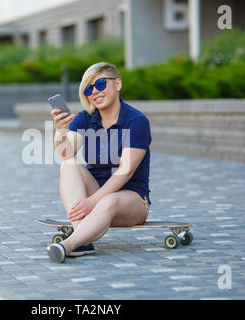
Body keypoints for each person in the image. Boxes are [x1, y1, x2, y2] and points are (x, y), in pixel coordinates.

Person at [48, 62, 152, 263]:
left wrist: (92, 202)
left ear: (118, 84)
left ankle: (69, 245)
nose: (95, 91)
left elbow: (126, 171)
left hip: (132, 199)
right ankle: (82, 238)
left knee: (108, 200)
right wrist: (60, 130)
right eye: (89, 88)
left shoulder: (136, 121)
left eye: (101, 83)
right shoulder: (85, 118)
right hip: (95, 192)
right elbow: (65, 153)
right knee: (69, 164)